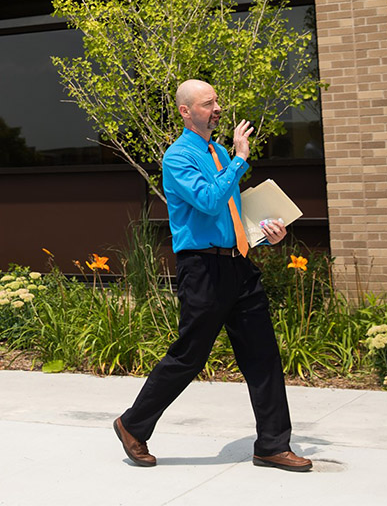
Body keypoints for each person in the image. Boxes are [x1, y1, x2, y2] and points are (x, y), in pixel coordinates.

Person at [112, 79, 312, 473]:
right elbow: (207, 201)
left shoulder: (219, 152)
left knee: (263, 356)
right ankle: (132, 424)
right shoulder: (178, 157)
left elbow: (234, 215)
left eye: (217, 100)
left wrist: (268, 236)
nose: (217, 108)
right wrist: (239, 159)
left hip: (239, 264)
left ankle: (272, 444)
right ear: (186, 111)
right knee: (190, 355)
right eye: (208, 103)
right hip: (202, 269)